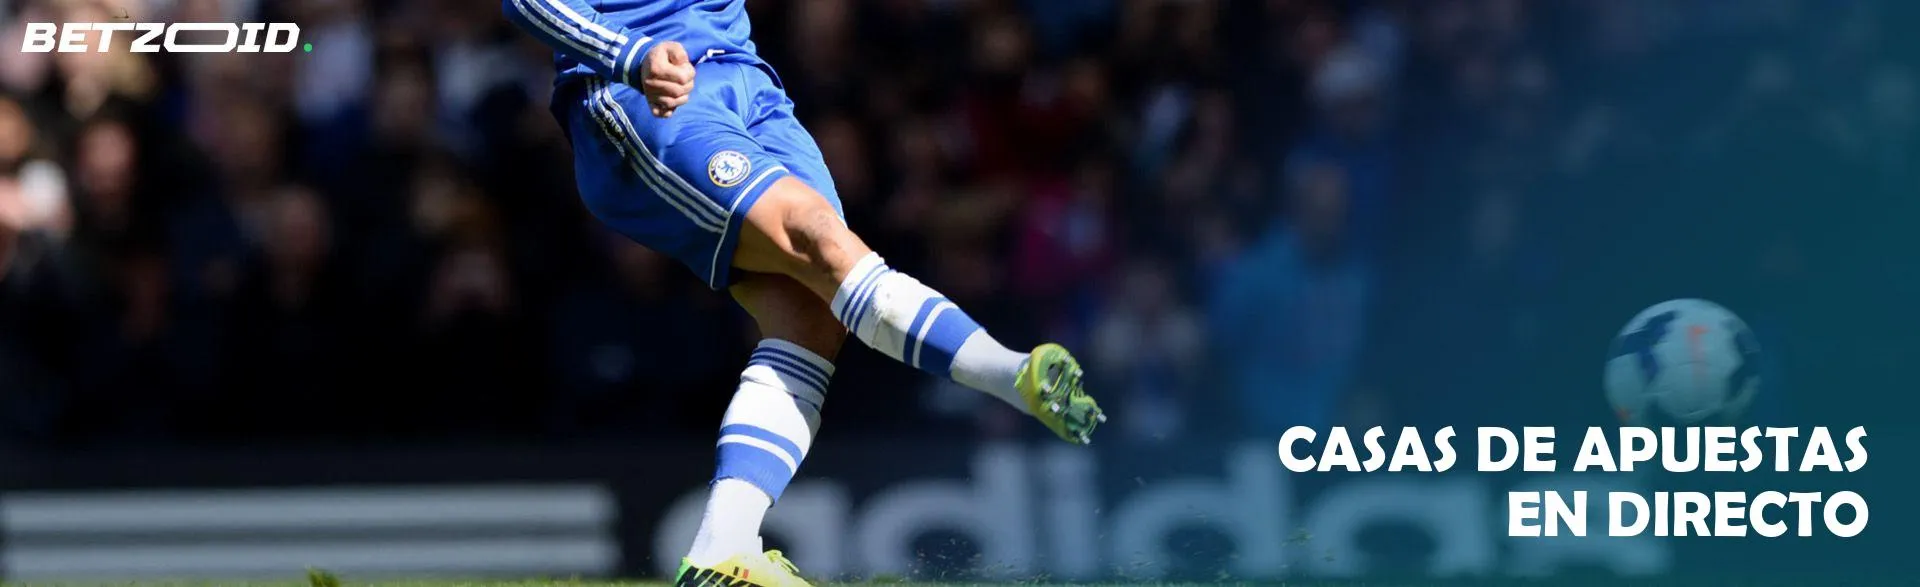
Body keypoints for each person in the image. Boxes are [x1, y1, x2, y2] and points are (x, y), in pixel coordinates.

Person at [501, 2, 1105, 585]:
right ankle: (1013, 376)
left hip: (754, 90)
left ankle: (723, 551)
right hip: (655, 89)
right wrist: (629, 54)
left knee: (813, 316)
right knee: (820, 242)